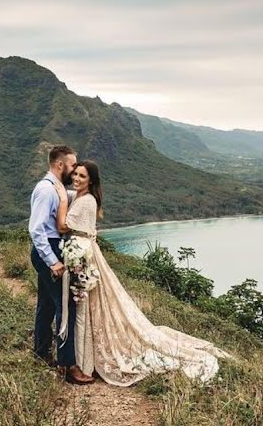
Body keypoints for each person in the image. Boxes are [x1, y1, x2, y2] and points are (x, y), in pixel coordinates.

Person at [51, 160, 233, 386]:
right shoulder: (78, 196)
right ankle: (80, 357)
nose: (76, 179)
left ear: (91, 181)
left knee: (87, 308)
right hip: (84, 253)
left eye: (82, 177)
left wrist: (60, 197)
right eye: (75, 175)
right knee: (87, 308)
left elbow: (62, 226)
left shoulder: (86, 200)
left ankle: (84, 359)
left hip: (83, 255)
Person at [29, 145, 94, 385]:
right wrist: (53, 260)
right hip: (50, 251)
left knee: (46, 305)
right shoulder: (47, 191)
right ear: (60, 165)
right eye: (72, 165)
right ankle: (68, 366)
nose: (74, 169)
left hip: (51, 251)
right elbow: (36, 231)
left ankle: (41, 352)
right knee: (66, 307)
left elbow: (73, 198)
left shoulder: (56, 189)